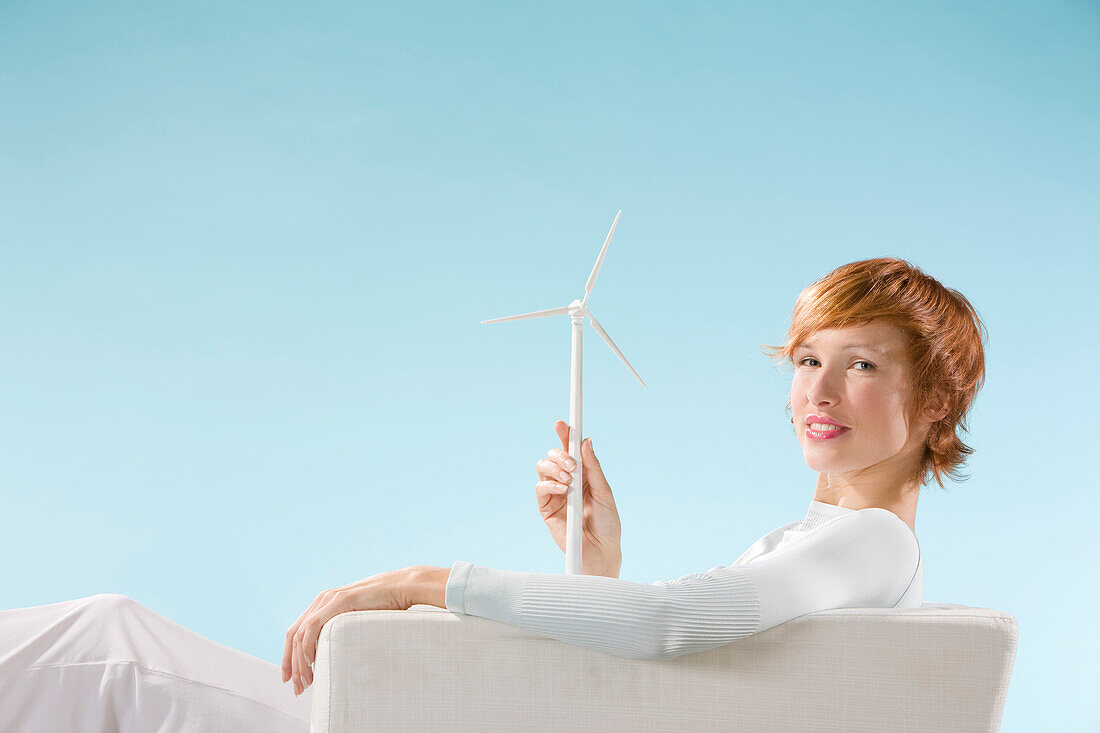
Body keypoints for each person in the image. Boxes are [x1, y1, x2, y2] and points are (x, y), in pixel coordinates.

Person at [0, 257, 987, 731]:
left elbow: (686, 622)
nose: (815, 390)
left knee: (104, 648)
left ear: (934, 402)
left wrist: (414, 583)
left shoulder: (866, 545)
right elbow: (688, 667)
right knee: (102, 644)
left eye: (859, 364)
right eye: (804, 358)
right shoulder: (839, 548)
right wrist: (595, 562)